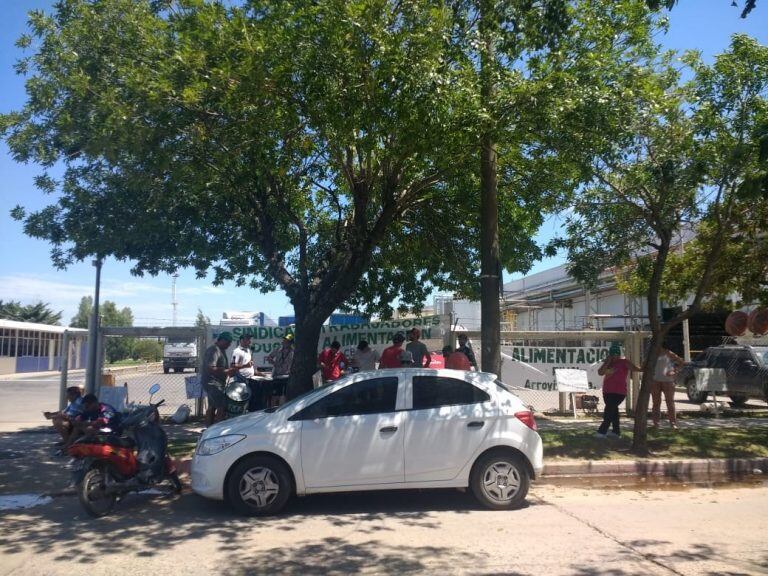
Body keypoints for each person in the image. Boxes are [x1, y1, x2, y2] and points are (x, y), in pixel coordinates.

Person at [595, 343, 641, 438]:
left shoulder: (624, 362)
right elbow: (600, 372)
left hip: (619, 392)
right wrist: (607, 361)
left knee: (609, 410)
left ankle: (602, 431)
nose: (615, 357)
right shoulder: (607, 363)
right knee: (613, 411)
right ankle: (616, 432)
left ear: (619, 354)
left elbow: (635, 369)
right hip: (607, 391)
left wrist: (644, 367)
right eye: (612, 354)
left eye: (616, 354)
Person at [202, 331, 237, 426]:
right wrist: (227, 371)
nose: (229, 345)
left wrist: (229, 370)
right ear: (222, 340)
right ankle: (218, 430)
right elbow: (210, 368)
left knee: (212, 406)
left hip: (217, 383)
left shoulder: (221, 350)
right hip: (213, 383)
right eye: (228, 343)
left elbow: (220, 366)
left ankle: (209, 428)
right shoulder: (214, 350)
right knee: (221, 407)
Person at [652, 345, 685, 430]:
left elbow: (681, 362)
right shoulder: (651, 353)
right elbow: (644, 365)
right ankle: (656, 424)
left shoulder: (668, 353)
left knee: (670, 402)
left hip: (668, 381)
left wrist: (674, 371)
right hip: (655, 380)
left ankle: (673, 423)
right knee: (656, 403)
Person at [231, 334, 267, 411]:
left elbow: (250, 365)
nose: (250, 341)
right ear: (241, 340)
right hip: (241, 380)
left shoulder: (249, 350)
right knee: (243, 401)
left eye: (250, 339)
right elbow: (233, 366)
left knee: (252, 401)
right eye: (247, 339)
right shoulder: (237, 351)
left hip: (251, 380)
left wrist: (260, 373)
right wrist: (245, 365)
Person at [266, 333, 294, 406]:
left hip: (287, 377)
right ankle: (271, 411)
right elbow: (269, 357)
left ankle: (281, 412)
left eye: (287, 341)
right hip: (277, 376)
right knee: (275, 395)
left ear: (290, 343)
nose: (284, 342)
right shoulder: (278, 349)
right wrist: (274, 363)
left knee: (284, 396)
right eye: (284, 340)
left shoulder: (293, 352)